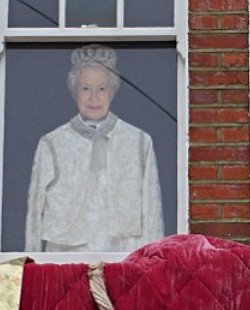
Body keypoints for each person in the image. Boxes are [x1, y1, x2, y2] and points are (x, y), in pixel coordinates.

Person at [25, 44, 164, 252]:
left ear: (112, 91)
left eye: (101, 88)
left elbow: (152, 209)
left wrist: (153, 259)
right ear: (75, 91)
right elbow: (35, 210)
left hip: (125, 250)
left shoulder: (139, 141)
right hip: (66, 252)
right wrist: (32, 259)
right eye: (85, 88)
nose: (93, 97)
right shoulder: (53, 143)